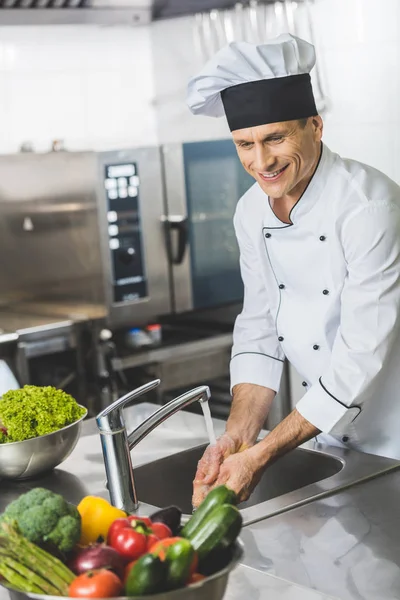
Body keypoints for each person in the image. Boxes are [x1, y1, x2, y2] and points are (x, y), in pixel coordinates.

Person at [186, 34, 400, 507]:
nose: (261, 162)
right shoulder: (250, 212)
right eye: (244, 144)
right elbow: (260, 327)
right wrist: (237, 439)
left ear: (315, 127)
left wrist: (262, 454)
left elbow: (361, 354)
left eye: (275, 138)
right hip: (326, 436)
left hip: (394, 439)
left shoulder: (368, 207)